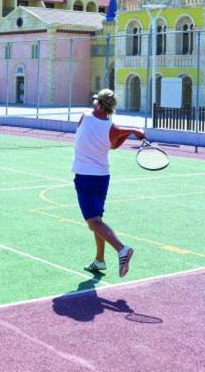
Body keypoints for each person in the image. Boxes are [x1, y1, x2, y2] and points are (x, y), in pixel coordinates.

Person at [73, 88, 145, 277]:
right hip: (102, 178)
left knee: (93, 222)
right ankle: (99, 260)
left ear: (98, 103)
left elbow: (110, 137)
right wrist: (132, 131)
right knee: (98, 220)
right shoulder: (113, 128)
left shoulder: (85, 116)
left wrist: (130, 132)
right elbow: (113, 144)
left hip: (85, 177)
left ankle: (122, 249)